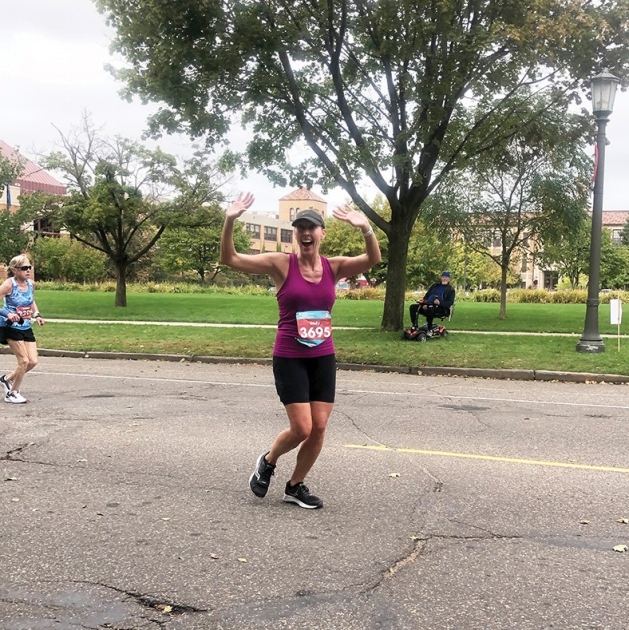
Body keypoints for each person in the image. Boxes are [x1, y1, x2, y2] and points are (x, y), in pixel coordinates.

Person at [220, 194, 381, 509]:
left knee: (319, 427)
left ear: (322, 233)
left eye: (312, 227)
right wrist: (229, 220)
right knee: (302, 427)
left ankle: (295, 486)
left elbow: (372, 258)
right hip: (290, 356)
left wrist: (366, 228)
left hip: (323, 356)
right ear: (295, 234)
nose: (306, 233)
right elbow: (231, 259)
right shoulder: (281, 263)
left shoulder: (333, 267)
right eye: (300, 228)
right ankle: (268, 461)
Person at [0, 254, 45, 404]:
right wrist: (8, 313)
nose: (28, 270)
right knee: (23, 361)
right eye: (24, 268)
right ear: (14, 269)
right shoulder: (8, 284)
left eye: (29, 267)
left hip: (26, 325)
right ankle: (12, 393)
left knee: (32, 361)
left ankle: (6, 379)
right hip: (10, 326)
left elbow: (31, 301)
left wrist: (37, 314)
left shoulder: (31, 284)